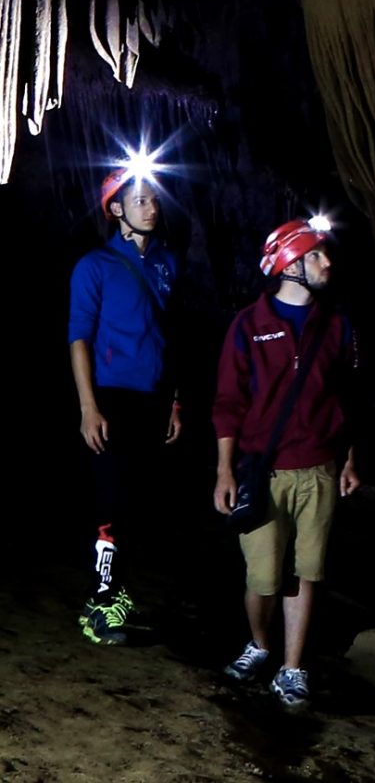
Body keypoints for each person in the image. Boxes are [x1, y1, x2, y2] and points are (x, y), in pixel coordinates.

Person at [212, 217, 361, 712]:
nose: (327, 262)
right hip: (264, 468)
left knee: (308, 573)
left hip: (318, 466)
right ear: (290, 265)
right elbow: (229, 403)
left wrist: (349, 460)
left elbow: (348, 399)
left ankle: (292, 668)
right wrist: (225, 471)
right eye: (316, 255)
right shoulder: (249, 326)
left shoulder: (336, 326)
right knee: (262, 578)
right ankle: (260, 643)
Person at [68, 161, 182, 645]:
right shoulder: (94, 265)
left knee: (139, 506)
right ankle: (99, 607)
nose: (151, 207)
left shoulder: (167, 262)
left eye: (154, 199)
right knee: (110, 505)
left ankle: (120, 597)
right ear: (116, 209)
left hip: (154, 399)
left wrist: (175, 401)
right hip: (112, 397)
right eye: (140, 201)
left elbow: (170, 334)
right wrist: (88, 407)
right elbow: (79, 338)